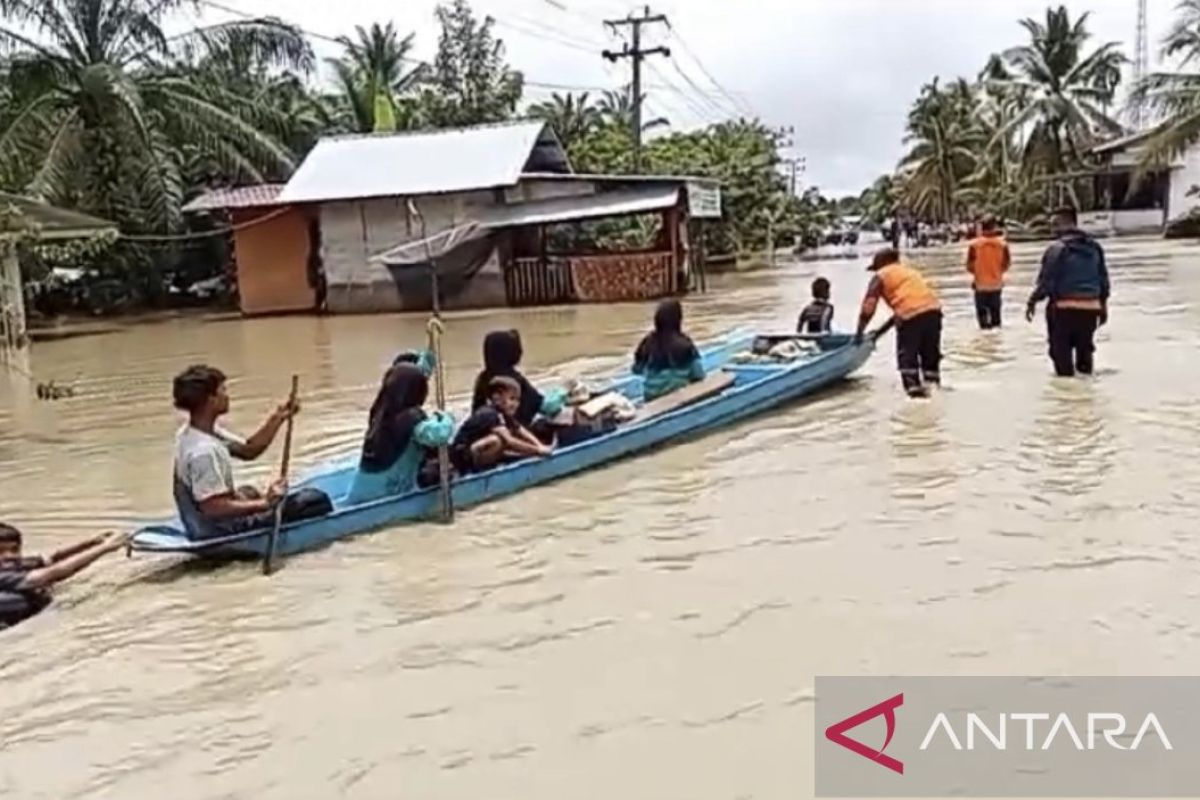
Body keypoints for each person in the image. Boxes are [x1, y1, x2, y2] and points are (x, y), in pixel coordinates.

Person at [171, 364, 324, 540]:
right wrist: (266, 503)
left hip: (199, 522)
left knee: (249, 491)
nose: (227, 396)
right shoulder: (204, 451)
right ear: (210, 399)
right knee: (314, 500)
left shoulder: (193, 432)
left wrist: (280, 416)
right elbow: (213, 508)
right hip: (218, 530)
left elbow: (249, 450)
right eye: (223, 390)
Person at [345, 363, 454, 504]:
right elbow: (440, 435)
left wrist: (426, 363)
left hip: (358, 493)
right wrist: (446, 418)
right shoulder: (412, 419)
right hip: (385, 496)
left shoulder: (378, 414)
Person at [1026, 206, 1110, 377]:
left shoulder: (1056, 249)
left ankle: (1067, 397)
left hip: (1063, 310)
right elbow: (1103, 282)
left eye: (1055, 224)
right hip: (1090, 310)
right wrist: (1103, 307)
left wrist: (1033, 301)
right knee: (1085, 357)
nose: (1052, 229)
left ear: (1064, 223)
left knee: (1062, 359)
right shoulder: (1095, 248)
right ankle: (1086, 398)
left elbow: (1046, 282)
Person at [0, 523, 129, 629]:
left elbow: (53, 557)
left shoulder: (12, 565)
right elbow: (52, 574)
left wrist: (93, 542)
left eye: (15, 549)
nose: (9, 556)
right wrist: (106, 548)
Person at [855, 248, 943, 398]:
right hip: (934, 313)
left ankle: (916, 404)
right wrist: (878, 333)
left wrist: (859, 333)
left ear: (881, 263)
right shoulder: (910, 273)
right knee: (930, 363)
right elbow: (905, 310)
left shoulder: (881, 275)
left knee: (908, 364)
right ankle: (935, 394)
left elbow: (868, 307)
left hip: (911, 318)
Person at [470, 330, 566, 441]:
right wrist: (562, 394)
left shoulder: (483, 378)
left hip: (485, 436)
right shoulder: (514, 380)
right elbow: (541, 405)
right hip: (514, 436)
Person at [453, 376, 552, 474]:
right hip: (461, 458)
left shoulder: (502, 413)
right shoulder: (489, 414)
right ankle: (480, 470)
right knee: (497, 440)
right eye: (512, 399)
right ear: (496, 398)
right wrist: (538, 450)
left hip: (473, 451)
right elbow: (510, 441)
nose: (516, 404)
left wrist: (540, 445)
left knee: (505, 440)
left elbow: (521, 430)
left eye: (517, 400)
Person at [632, 299, 706, 401]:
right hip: (677, 396)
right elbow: (699, 375)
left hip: (650, 396)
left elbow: (636, 370)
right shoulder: (685, 343)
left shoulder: (647, 342)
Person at [966, 216, 1011, 330]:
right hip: (996, 286)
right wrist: (996, 273)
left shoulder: (974, 245)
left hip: (980, 286)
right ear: (994, 227)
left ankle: (986, 345)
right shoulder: (1003, 245)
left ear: (982, 228)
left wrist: (979, 273)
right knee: (996, 321)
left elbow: (969, 266)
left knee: (983, 324)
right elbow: (1006, 264)